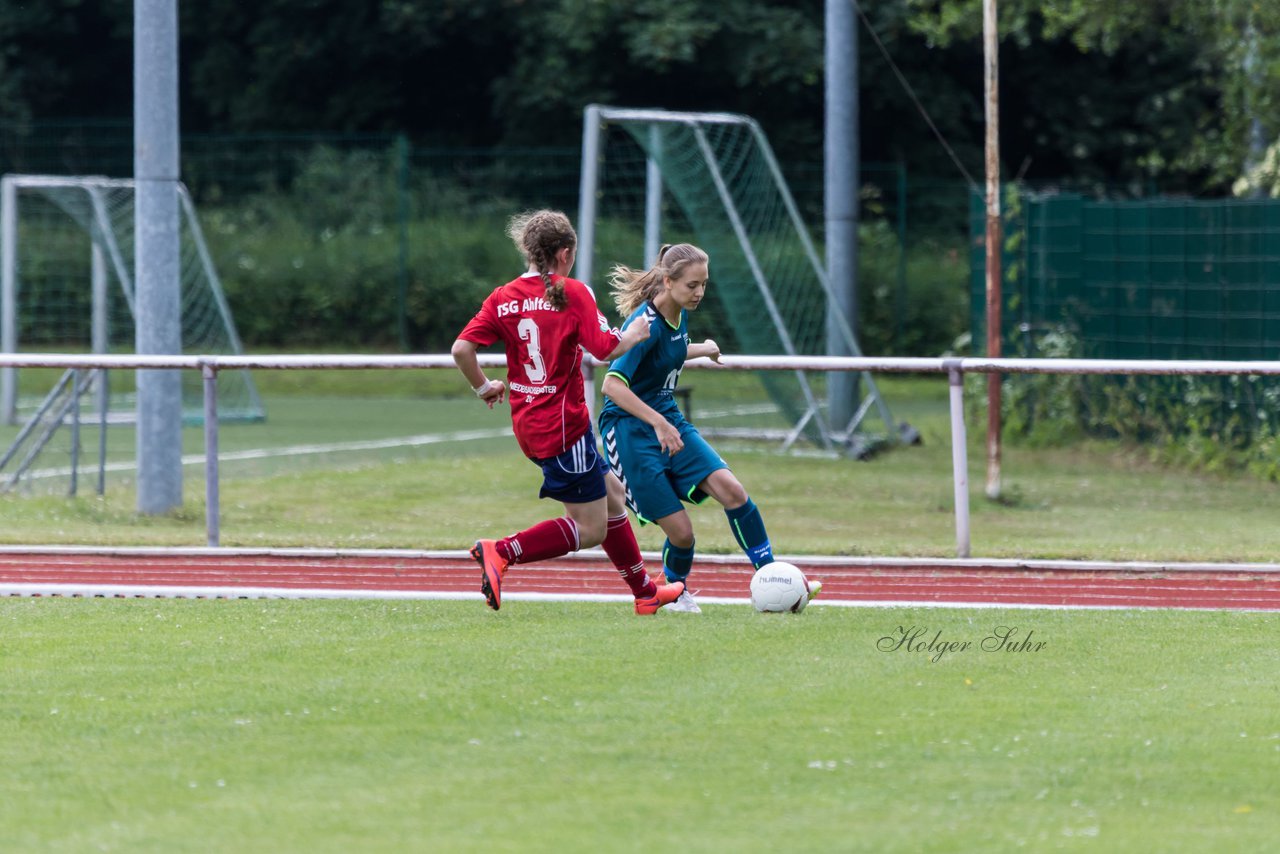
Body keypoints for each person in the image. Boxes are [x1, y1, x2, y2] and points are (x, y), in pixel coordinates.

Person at [451, 209, 686, 615]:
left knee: (612, 494)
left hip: (530, 425)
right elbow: (605, 348)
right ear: (565, 253)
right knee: (591, 528)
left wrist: (484, 387)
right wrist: (632, 334)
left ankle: (645, 593)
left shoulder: (502, 296)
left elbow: (461, 349)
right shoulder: (573, 292)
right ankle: (502, 551)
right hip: (563, 431)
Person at [598, 243, 796, 613]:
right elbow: (612, 385)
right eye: (692, 285)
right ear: (668, 281)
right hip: (630, 431)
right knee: (683, 534)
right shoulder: (643, 325)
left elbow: (671, 351)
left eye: (704, 284)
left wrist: (702, 348)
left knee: (733, 491)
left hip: (668, 419)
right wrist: (657, 423)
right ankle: (673, 593)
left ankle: (773, 578)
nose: (700, 292)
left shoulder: (678, 313)